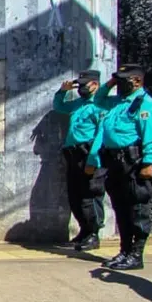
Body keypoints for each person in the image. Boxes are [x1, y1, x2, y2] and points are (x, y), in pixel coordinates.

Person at [88, 64, 152, 270]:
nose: (119, 83)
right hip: (115, 162)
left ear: (137, 81)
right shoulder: (118, 102)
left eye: (123, 80)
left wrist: (148, 162)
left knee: (137, 209)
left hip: (133, 162)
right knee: (121, 208)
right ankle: (125, 251)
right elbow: (98, 100)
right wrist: (110, 83)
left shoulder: (145, 104)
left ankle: (136, 255)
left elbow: (150, 136)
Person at [53, 70, 107, 251]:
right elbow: (59, 107)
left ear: (95, 85)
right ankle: (84, 232)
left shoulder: (100, 105)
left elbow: (102, 133)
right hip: (74, 155)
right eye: (80, 84)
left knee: (90, 196)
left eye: (85, 84)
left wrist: (93, 159)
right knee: (75, 196)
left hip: (89, 154)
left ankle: (94, 234)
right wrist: (63, 91)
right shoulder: (79, 103)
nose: (81, 88)